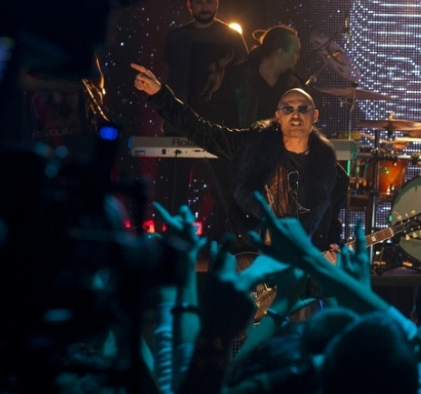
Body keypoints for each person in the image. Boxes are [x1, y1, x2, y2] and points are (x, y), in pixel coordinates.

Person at [131, 63, 349, 254]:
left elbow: (331, 225)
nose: (295, 115)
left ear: (315, 116)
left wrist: (332, 248)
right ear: (277, 115)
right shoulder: (251, 146)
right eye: (288, 109)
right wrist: (160, 94)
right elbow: (201, 130)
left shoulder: (334, 175)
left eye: (303, 109)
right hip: (250, 257)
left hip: (300, 269)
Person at [158, 0, 248, 239]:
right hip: (179, 122)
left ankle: (227, 241)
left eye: (209, 1)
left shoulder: (232, 36)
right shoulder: (176, 37)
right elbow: (166, 78)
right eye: (199, 2)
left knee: (225, 187)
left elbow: (244, 82)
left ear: (217, 1)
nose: (205, 7)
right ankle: (174, 244)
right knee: (175, 190)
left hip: (219, 124)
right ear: (189, 4)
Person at [221, 25, 307, 129]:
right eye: (295, 52)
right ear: (280, 53)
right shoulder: (238, 77)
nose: (297, 57)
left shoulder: (295, 85)